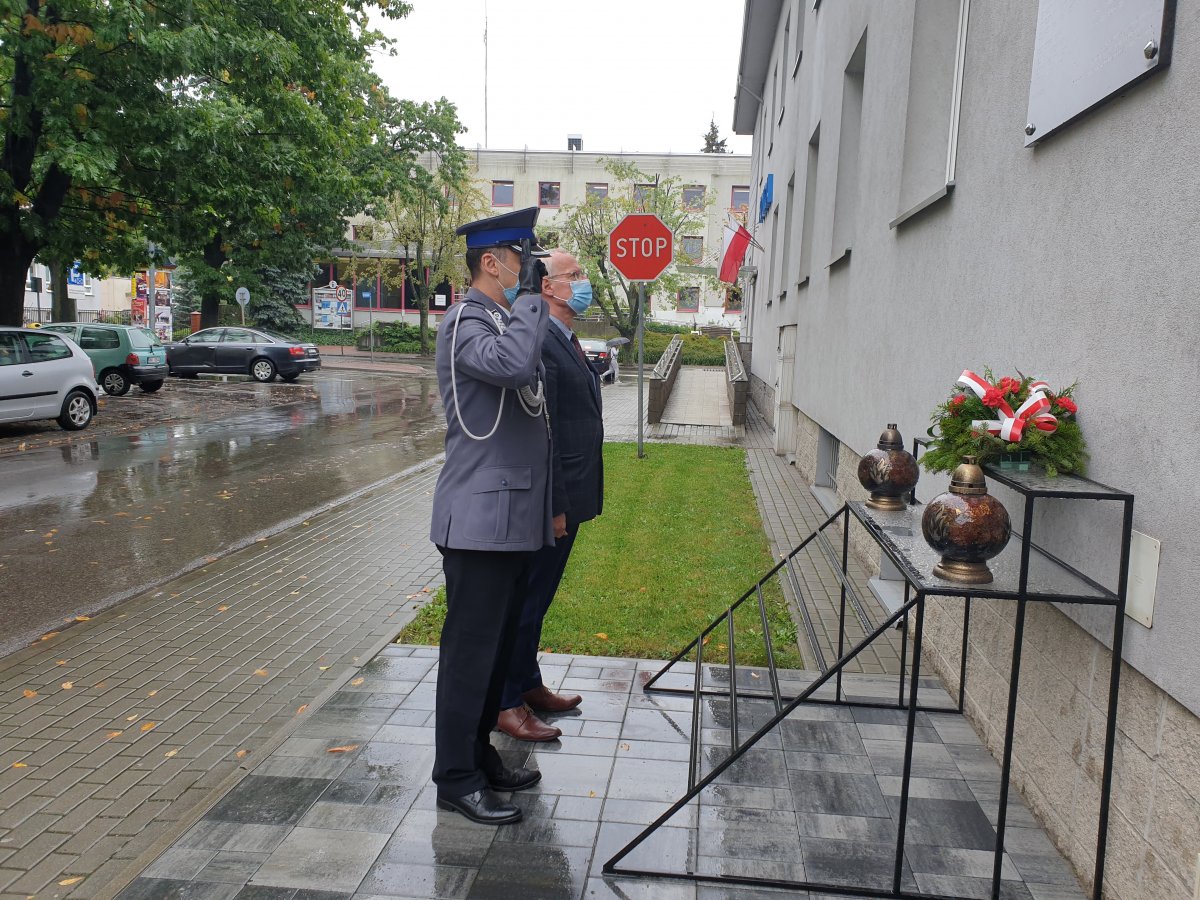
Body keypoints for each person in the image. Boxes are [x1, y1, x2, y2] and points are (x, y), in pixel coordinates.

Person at [429, 207, 553, 826]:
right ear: (491, 261)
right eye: (520, 258)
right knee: (469, 655)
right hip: (479, 522)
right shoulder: (464, 323)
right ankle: (455, 777)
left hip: (510, 520)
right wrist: (533, 295)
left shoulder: (502, 319)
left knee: (496, 653)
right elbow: (514, 367)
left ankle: (477, 759)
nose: (526, 269)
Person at [497, 249, 604, 742]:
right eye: (574, 276)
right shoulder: (541, 342)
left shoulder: (567, 338)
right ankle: (507, 701)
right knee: (524, 602)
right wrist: (557, 506)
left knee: (538, 601)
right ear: (547, 288)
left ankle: (529, 684)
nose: (582, 282)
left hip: (571, 495)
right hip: (551, 503)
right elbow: (547, 436)